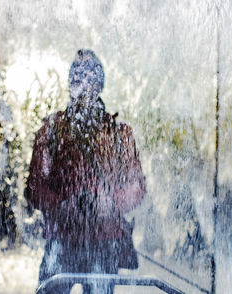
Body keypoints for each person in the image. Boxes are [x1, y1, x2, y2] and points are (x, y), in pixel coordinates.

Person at [24, 49, 146, 293]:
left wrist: (107, 203)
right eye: (77, 76)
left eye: (89, 76)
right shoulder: (51, 131)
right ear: (70, 83)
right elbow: (34, 188)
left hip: (103, 242)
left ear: (100, 84)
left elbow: (137, 187)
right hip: (61, 240)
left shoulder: (120, 135)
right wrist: (63, 203)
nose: (82, 82)